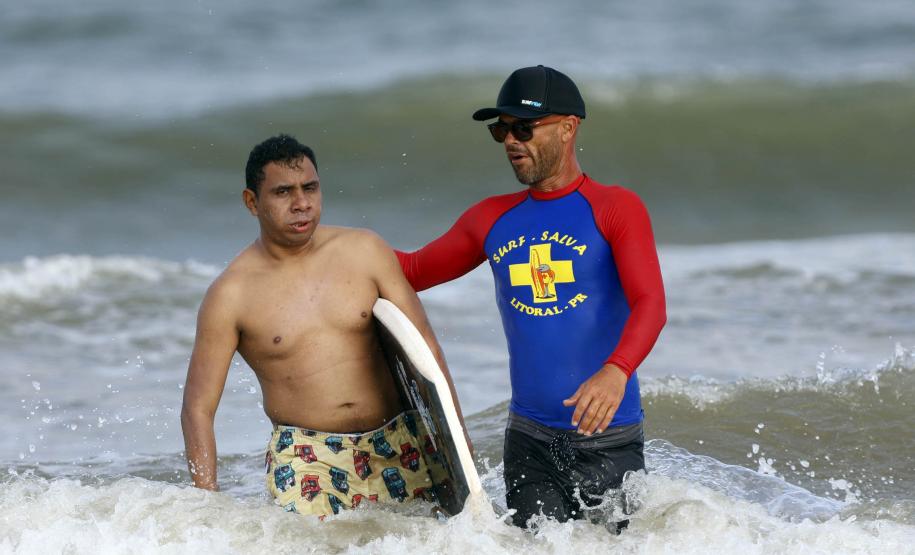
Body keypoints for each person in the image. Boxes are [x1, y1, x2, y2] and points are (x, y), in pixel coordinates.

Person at [396, 66, 666, 530]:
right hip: (529, 441)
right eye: (501, 129)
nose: (510, 140)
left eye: (523, 127)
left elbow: (651, 305)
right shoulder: (491, 219)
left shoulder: (615, 208)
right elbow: (410, 271)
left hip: (609, 439)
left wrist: (616, 371)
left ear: (568, 127)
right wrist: (325, 246)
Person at [181, 134, 467, 518]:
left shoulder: (365, 251)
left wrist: (458, 447)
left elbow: (426, 352)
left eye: (310, 188)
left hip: (399, 437)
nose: (301, 204)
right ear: (252, 202)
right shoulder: (230, 295)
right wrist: (206, 504)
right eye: (283, 192)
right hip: (306, 456)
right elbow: (198, 408)